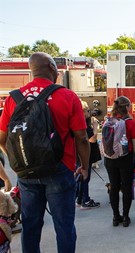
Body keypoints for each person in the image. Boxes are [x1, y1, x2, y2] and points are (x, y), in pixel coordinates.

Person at [0, 52, 90, 253]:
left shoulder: (13, 99)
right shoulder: (67, 96)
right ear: (51, 67)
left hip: (27, 174)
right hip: (60, 169)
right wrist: (84, 167)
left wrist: (20, 162)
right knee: (64, 226)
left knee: (31, 227)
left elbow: (2, 140)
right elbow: (82, 138)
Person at [104, 96, 135, 227]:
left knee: (114, 186)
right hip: (125, 158)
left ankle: (115, 216)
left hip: (110, 158)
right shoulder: (129, 122)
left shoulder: (109, 119)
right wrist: (132, 156)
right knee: (126, 187)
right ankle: (125, 217)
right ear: (127, 107)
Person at [75, 100, 101, 210]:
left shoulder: (82, 121)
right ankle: (85, 200)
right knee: (85, 178)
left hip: (82, 155)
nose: (89, 112)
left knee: (81, 178)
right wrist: (95, 128)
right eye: (87, 110)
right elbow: (92, 139)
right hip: (86, 155)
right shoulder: (83, 124)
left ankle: (79, 199)